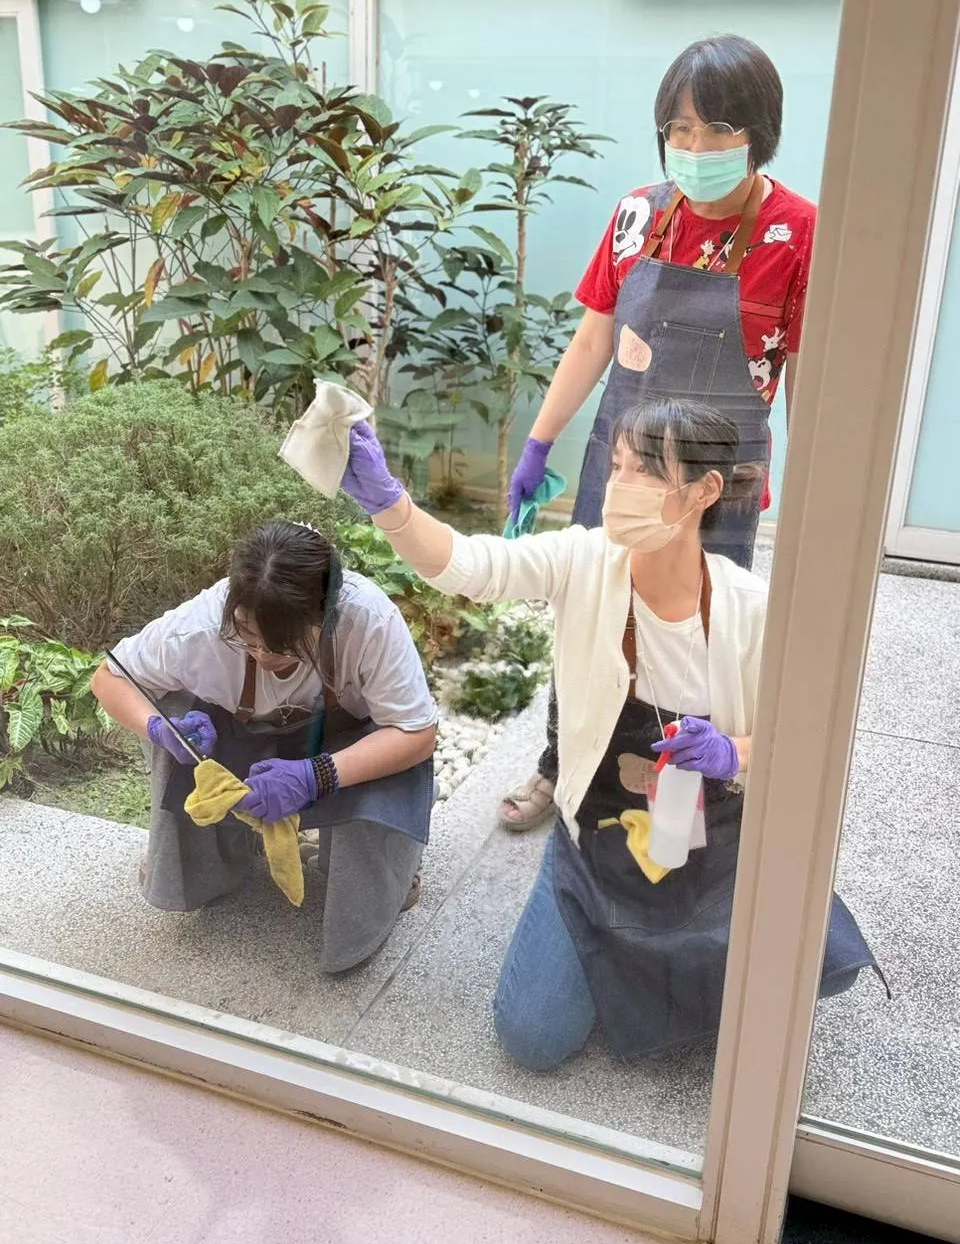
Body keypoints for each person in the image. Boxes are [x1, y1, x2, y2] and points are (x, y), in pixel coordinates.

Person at [338, 404, 876, 1066]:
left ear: (704, 490)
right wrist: (390, 505)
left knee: (825, 966)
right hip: (596, 836)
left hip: (710, 839)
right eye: (617, 466)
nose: (621, 486)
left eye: (646, 470)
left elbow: (804, 743)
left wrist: (731, 752)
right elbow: (472, 566)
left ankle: (651, 967)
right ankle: (600, 924)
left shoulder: (750, 611)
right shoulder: (584, 560)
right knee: (533, 1036)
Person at [501, 32, 816, 831]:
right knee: (592, 619)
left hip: (718, 485)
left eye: (718, 130)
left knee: (700, 637)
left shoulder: (799, 232)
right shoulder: (637, 214)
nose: (696, 148)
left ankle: (684, 782)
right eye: (680, 129)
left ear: (759, 133)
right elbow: (592, 341)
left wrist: (819, 493)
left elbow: (808, 371)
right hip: (625, 471)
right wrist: (539, 444)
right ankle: (560, 764)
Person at [92, 519, 437, 973]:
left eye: (284, 644)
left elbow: (417, 732)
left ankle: (387, 874)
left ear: (325, 615)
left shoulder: (369, 620)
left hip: (343, 742)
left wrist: (316, 775)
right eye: (247, 636)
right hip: (245, 736)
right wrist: (159, 728)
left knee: (392, 761)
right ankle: (212, 864)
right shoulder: (200, 627)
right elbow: (110, 677)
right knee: (163, 701)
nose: (263, 655)